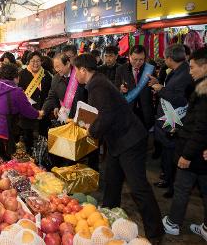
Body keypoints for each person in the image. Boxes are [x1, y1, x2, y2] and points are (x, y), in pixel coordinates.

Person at [74, 53, 164, 242]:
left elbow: (104, 116)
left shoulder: (97, 85)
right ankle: (106, 221)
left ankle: (155, 233)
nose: (75, 75)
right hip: (118, 141)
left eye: (76, 70)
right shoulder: (97, 82)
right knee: (112, 181)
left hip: (129, 141)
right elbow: (97, 113)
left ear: (83, 70)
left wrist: (90, 132)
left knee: (139, 188)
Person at [162, 47, 207, 242]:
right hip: (200, 150)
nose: (190, 71)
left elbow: (201, 128)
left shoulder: (204, 92)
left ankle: (173, 223)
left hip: (194, 152)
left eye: (193, 67)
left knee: (182, 188)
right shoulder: (200, 86)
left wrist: (187, 155)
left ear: (205, 67)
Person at [148, 44, 193, 198]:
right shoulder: (176, 71)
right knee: (167, 154)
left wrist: (161, 90)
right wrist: (158, 84)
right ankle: (167, 179)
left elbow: (180, 100)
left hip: (175, 121)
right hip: (166, 121)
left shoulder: (185, 74)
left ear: (169, 58)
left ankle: (173, 186)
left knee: (172, 156)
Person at [0, 63, 43, 160]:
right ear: (16, 77)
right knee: (2, 168)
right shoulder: (16, 91)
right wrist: (38, 114)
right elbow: (27, 111)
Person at [41, 51, 90, 168]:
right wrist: (50, 107)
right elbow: (52, 96)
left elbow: (88, 97)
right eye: (55, 67)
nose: (57, 70)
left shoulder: (80, 75)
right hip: (64, 119)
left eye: (59, 67)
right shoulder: (56, 78)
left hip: (80, 120)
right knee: (64, 150)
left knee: (79, 152)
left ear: (68, 63)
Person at [18, 51, 52, 154]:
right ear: (28, 61)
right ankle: (29, 153)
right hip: (27, 109)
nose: (35, 63)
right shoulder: (22, 74)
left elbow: (50, 91)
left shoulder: (46, 74)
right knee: (28, 133)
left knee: (43, 133)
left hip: (42, 108)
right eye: (33, 61)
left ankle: (42, 155)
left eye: (38, 61)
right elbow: (18, 90)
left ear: (41, 62)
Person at [115, 45, 155, 131]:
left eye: (141, 60)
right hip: (128, 109)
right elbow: (115, 88)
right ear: (129, 57)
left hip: (145, 110)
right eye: (135, 59)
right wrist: (120, 89)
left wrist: (155, 83)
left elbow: (155, 88)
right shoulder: (121, 69)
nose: (137, 62)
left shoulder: (150, 69)